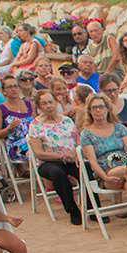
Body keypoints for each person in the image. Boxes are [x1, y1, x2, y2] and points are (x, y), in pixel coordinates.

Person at [27, 89, 83, 224]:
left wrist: (74, 152)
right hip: (48, 162)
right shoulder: (35, 125)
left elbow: (78, 141)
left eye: (51, 102)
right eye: (44, 103)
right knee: (57, 173)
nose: (49, 106)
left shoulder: (67, 121)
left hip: (71, 158)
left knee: (85, 169)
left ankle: (93, 207)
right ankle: (72, 209)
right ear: (39, 107)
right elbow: (39, 153)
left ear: (56, 102)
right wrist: (61, 157)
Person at [80, 92, 127, 197]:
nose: (98, 110)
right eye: (94, 108)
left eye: (101, 107)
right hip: (105, 173)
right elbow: (93, 162)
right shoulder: (86, 134)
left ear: (107, 108)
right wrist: (106, 178)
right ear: (89, 111)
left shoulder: (120, 128)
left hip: (125, 166)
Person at [0, 74, 33, 162]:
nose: (13, 89)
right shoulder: (0, 109)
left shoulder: (28, 104)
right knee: (32, 148)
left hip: (32, 140)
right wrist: (9, 128)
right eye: (9, 87)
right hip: (15, 144)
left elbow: (37, 123)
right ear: (3, 91)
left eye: (15, 86)